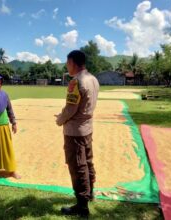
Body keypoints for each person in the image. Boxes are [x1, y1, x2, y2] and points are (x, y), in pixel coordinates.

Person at [55, 50, 100, 217]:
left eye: (68, 63)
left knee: (77, 166)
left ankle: (82, 206)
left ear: (73, 63)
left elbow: (70, 109)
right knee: (87, 162)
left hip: (75, 132)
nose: (67, 66)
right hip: (87, 128)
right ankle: (90, 193)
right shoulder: (93, 79)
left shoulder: (76, 82)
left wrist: (60, 119)